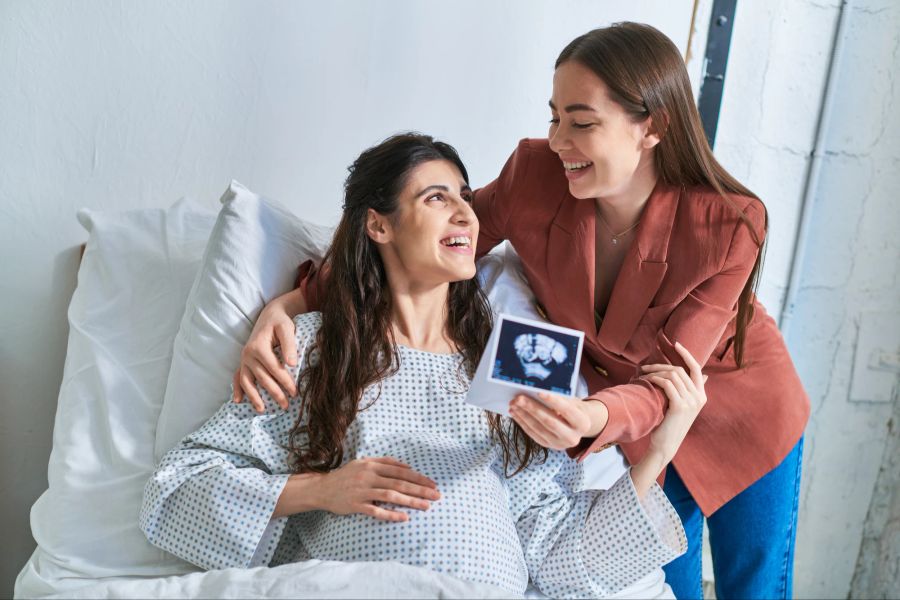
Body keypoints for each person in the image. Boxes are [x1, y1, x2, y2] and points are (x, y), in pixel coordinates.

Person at [234, 23, 810, 600]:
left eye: (581, 123)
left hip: (729, 407)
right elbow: (422, 246)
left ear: (652, 127)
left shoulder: (731, 225)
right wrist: (291, 303)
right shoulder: (535, 176)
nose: (559, 140)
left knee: (755, 590)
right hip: (630, 425)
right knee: (670, 587)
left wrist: (591, 418)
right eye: (554, 117)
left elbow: (671, 382)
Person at [141, 133, 711, 598]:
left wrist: (661, 446)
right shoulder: (316, 351)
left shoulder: (519, 360)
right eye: (436, 198)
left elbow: (564, 564)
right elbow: (174, 494)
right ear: (379, 225)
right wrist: (320, 490)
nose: (465, 211)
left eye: (464, 196)